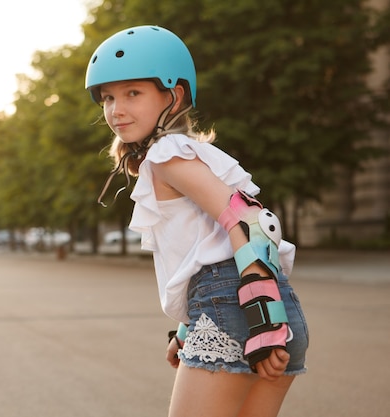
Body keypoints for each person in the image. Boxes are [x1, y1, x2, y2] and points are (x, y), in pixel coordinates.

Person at [85, 25, 309, 417]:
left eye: (132, 93)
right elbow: (207, 247)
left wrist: (261, 320)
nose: (115, 109)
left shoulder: (165, 154)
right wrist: (191, 327)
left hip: (242, 309)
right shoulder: (192, 154)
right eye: (107, 98)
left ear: (174, 96)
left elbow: (248, 219)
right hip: (270, 305)